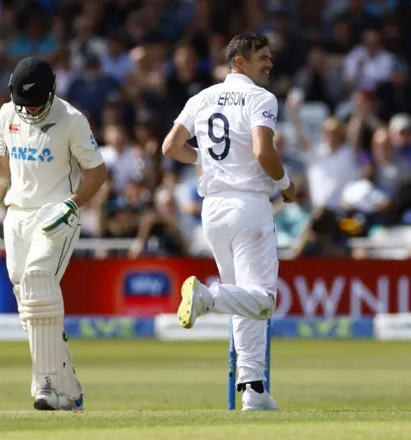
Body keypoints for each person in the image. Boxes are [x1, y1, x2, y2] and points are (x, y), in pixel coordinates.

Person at [162, 33, 293, 412]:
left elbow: (170, 147)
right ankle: (207, 296)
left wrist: (205, 161)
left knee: (245, 299)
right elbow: (262, 152)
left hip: (213, 209)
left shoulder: (201, 98)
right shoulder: (260, 98)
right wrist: (285, 185)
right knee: (263, 300)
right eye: (262, 58)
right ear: (240, 62)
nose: (269, 63)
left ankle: (253, 389)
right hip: (249, 205)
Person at [0, 57, 107, 411]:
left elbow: (97, 172)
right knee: (30, 306)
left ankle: (44, 385)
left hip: (57, 214)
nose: (29, 110)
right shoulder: (6, 114)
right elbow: (1, 165)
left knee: (38, 280)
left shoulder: (73, 120)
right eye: (23, 103)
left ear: (54, 88)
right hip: (17, 215)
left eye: (36, 102)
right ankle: (69, 389)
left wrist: (74, 204)